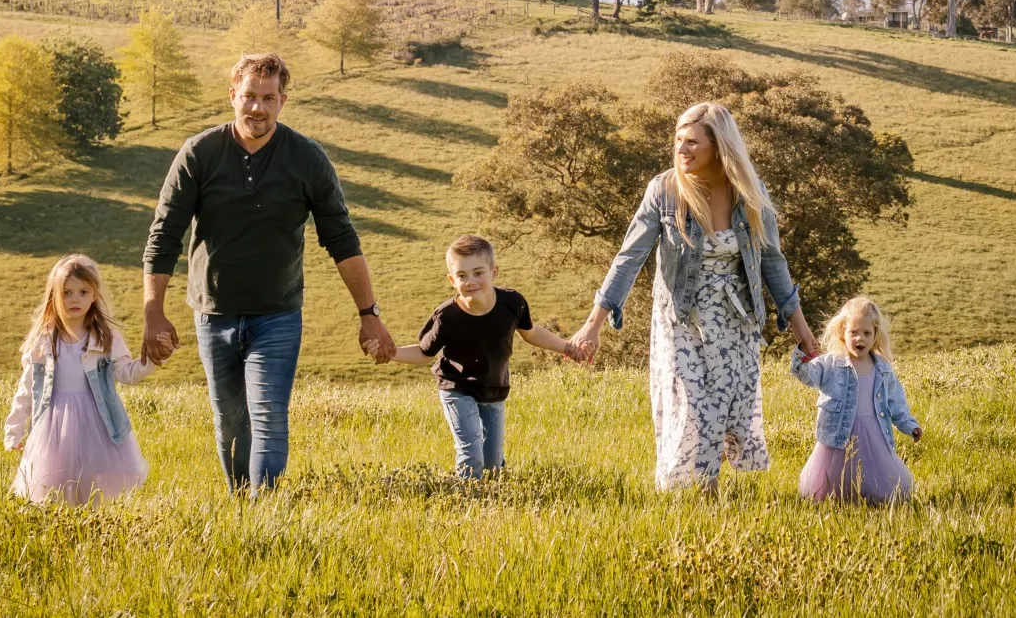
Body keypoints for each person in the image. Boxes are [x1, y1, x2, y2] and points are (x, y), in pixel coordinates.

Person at [141, 48, 396, 492]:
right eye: (249, 96)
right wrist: (152, 312)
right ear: (232, 96)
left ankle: (266, 510)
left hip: (277, 315)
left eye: (268, 98)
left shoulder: (306, 158)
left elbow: (341, 238)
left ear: (283, 101)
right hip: (213, 312)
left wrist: (368, 313)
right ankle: (240, 504)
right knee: (229, 421)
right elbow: (165, 235)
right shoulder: (199, 153)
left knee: (269, 416)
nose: (257, 108)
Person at [568, 98, 819, 490]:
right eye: (678, 140)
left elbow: (773, 263)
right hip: (680, 317)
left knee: (727, 407)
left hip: (735, 319)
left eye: (692, 142)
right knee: (692, 407)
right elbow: (629, 258)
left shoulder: (749, 193)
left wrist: (803, 332)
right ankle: (702, 493)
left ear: (719, 147)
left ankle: (708, 487)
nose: (681, 149)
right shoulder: (664, 190)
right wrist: (593, 325)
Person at [390, 233, 581, 478]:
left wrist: (567, 347)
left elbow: (531, 334)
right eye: (462, 275)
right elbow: (424, 353)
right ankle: (467, 503)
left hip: (494, 388)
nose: (470, 281)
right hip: (456, 387)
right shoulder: (446, 316)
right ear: (452, 279)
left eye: (478, 273)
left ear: (494, 272)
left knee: (492, 465)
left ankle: (492, 504)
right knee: (471, 454)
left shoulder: (512, 303)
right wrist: (391, 353)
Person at [3, 252, 154, 505]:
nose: (75, 299)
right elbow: (27, 388)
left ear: (95, 295)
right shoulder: (44, 338)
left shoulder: (105, 337)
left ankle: (95, 525)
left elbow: (126, 373)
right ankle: (64, 528)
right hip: (53, 422)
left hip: (97, 420)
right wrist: (14, 429)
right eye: (67, 292)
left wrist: (152, 360)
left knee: (95, 479)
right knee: (56, 480)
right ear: (54, 296)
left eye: (83, 292)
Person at [792, 295, 921, 503]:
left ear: (875, 335)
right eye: (853, 332)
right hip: (839, 431)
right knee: (834, 479)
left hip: (873, 432)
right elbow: (808, 376)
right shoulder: (831, 363)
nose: (859, 338)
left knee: (875, 476)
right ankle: (840, 498)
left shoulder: (882, 368)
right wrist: (803, 355)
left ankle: (871, 498)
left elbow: (896, 402)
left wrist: (909, 425)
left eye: (866, 333)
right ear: (843, 332)